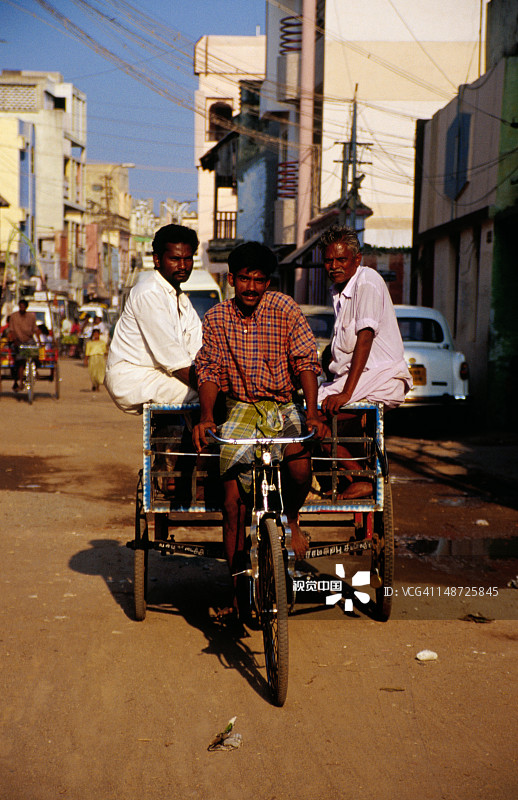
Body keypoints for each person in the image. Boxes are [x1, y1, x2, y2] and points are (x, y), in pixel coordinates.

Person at [193, 241, 326, 620]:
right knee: (232, 505)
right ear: (231, 279)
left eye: (260, 280)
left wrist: (312, 413)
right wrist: (206, 416)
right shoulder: (217, 318)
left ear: (268, 281)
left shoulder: (284, 308)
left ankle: (292, 520)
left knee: (300, 467)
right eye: (245, 279)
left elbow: (305, 360)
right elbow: (210, 370)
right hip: (239, 409)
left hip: (283, 405)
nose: (251, 287)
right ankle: (235, 597)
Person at [316, 225, 412, 498]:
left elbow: (365, 338)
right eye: (329, 260)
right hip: (356, 378)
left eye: (341, 259)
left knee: (315, 417)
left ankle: (360, 477)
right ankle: (352, 476)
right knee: (311, 418)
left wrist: (346, 393)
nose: (334, 266)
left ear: (356, 260)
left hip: (378, 376)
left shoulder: (367, 281)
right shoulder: (339, 291)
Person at [105, 223, 202, 415]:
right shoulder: (148, 293)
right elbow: (174, 360)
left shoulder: (181, 299)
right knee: (213, 393)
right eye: (175, 259)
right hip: (134, 378)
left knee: (216, 387)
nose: (182, 266)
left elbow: (198, 348)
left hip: (160, 375)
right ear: (157, 260)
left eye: (187, 259)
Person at [7, 299, 41, 391]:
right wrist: (15, 340)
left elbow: (35, 329)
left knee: (36, 354)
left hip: (29, 340)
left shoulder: (31, 316)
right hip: (18, 340)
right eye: (20, 306)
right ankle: (21, 382)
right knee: (21, 361)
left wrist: (40, 341)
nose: (22, 308)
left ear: (26, 307)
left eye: (24, 306)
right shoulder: (14, 316)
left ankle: (35, 370)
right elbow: (12, 330)